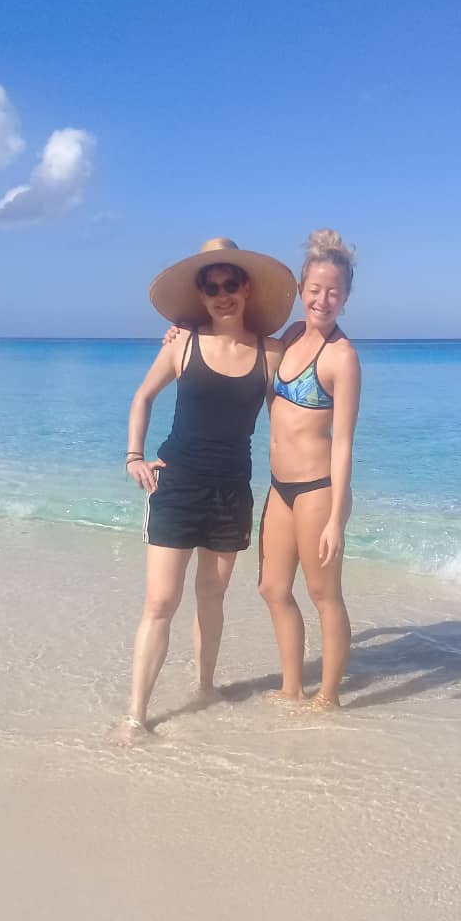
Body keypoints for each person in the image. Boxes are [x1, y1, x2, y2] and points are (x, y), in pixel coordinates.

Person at [109, 238, 293, 745]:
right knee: (160, 601)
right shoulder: (182, 344)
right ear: (202, 295)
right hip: (177, 484)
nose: (222, 295)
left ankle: (205, 687)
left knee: (212, 597)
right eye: (211, 288)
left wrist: (307, 487)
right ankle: (135, 717)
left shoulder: (270, 353)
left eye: (230, 284)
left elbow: (295, 416)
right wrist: (133, 457)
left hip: (231, 489)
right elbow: (143, 397)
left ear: (247, 288)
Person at [258, 229, 361, 709]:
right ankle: (291, 687)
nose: (323, 300)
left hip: (318, 490)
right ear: (301, 291)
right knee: (272, 588)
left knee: (324, 595)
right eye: (315, 290)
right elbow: (236, 347)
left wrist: (337, 518)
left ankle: (329, 698)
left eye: (333, 292)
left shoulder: (342, 357)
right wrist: (181, 332)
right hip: (280, 488)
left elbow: (342, 444)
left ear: (346, 298)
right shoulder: (291, 337)